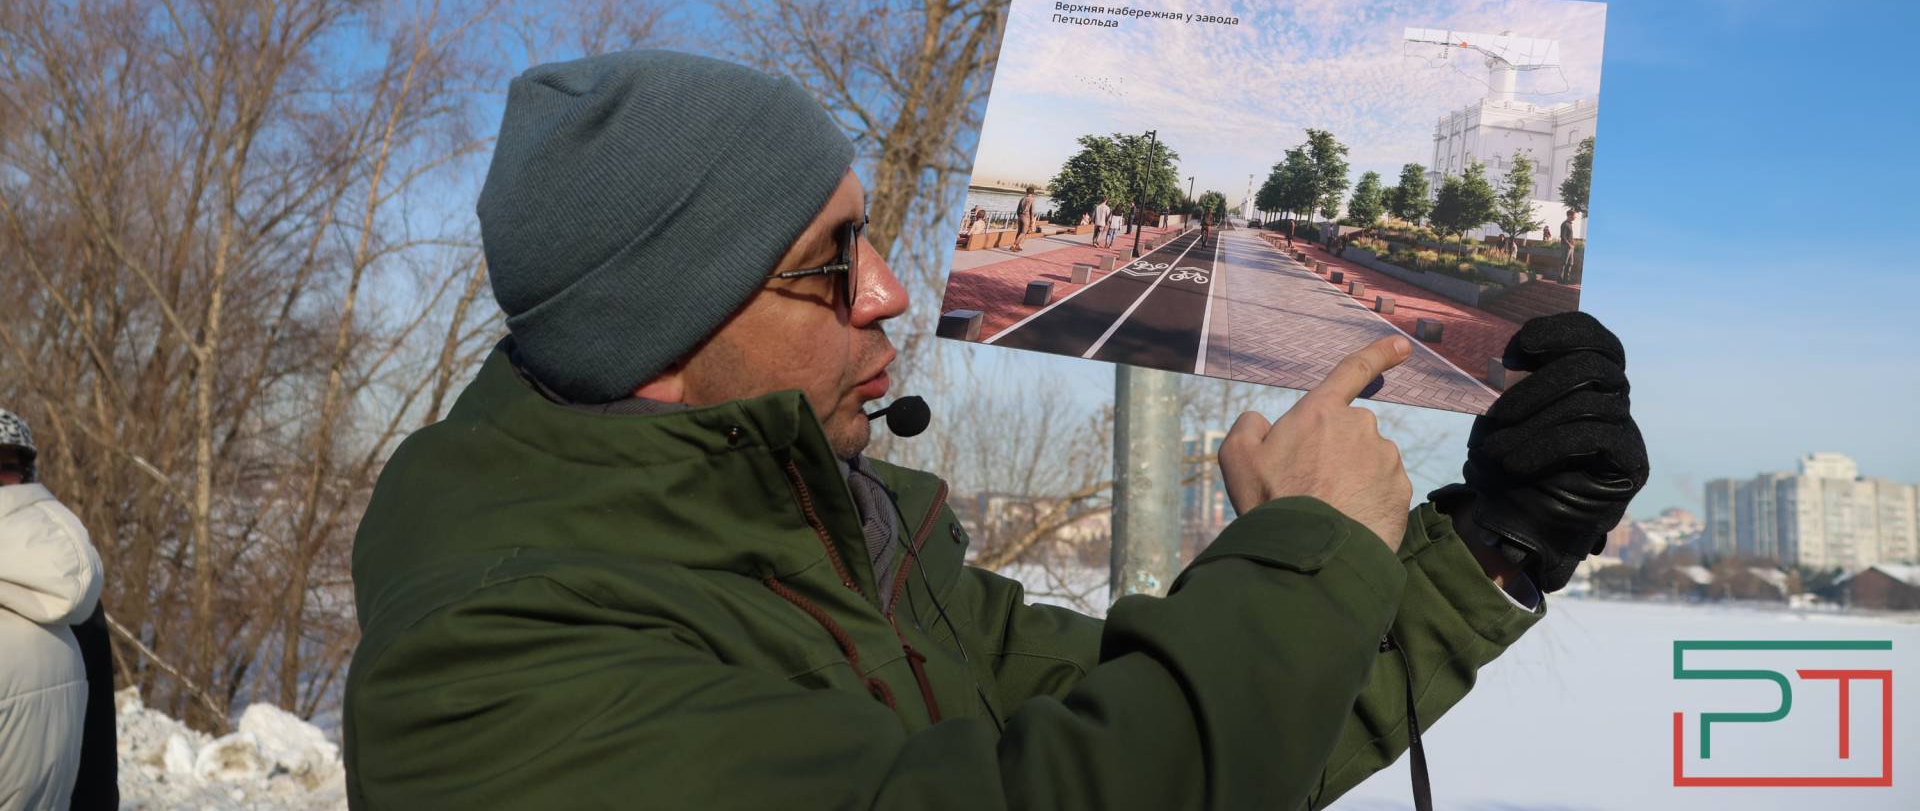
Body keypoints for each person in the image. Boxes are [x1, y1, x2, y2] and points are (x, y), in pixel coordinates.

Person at [344, 49, 1648, 810]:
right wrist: (1306, 551)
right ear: (661, 336)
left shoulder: (851, 551)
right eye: (827, 262)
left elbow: (1184, 731)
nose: (889, 291)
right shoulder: (501, 670)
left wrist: (1500, 542)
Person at [1, 408, 105, 811]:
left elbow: (97, 753)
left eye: (6, 467)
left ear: (27, 476)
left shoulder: (74, 604)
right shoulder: (73, 590)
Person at [1011, 186, 1037, 253]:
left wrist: (1019, 216)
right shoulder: (1032, 199)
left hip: (1020, 216)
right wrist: (1032, 220)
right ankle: (1014, 245)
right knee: (1023, 232)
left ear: (1027, 191)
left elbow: (1017, 210)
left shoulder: (1022, 199)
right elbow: (1032, 211)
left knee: (1019, 232)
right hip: (1026, 217)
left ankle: (1017, 245)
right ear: (1033, 193)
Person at [1559, 208, 1579, 283]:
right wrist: (1569, 244)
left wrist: (1573, 243)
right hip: (1566, 246)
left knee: (1570, 263)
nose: (1575, 217)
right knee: (1564, 262)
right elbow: (1563, 236)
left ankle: (1566, 279)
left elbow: (1569, 236)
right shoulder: (1565, 224)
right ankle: (1560, 279)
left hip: (1571, 247)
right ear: (1570, 215)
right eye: (1574, 215)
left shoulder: (1570, 224)